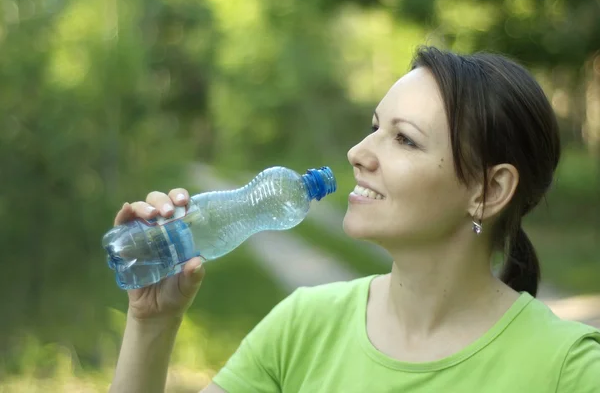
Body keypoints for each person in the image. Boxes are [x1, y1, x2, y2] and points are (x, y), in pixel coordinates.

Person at [108, 46, 600, 393]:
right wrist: (152, 322)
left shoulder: (569, 369)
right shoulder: (302, 326)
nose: (358, 153)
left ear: (489, 190)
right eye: (373, 128)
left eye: (403, 138)